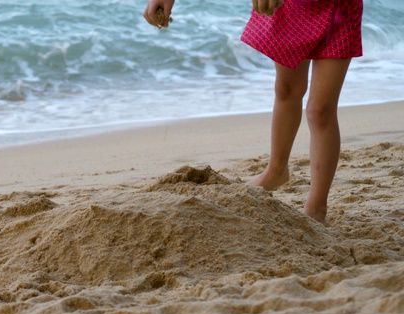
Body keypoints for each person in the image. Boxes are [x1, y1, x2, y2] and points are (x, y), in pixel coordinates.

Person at [143, 0, 363, 225]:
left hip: (338, 7)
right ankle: (276, 171)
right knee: (286, 90)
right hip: (294, 6)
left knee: (320, 110)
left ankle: (317, 206)